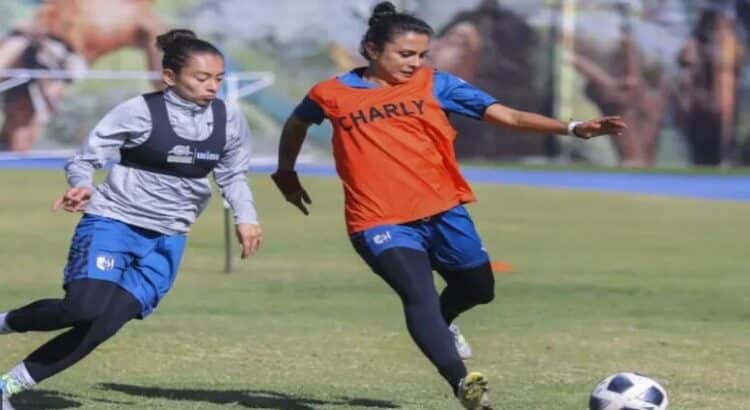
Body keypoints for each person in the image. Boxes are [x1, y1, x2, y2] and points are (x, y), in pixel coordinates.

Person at [270, 2, 625, 409]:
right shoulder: (329, 93)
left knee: (479, 288)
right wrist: (286, 171)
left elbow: (506, 115)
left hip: (443, 209)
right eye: (405, 54)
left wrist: (574, 127)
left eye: (422, 55)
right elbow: (297, 123)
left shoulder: (437, 84)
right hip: (378, 219)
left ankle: (443, 325)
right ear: (371, 50)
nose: (415, 63)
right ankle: (463, 383)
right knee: (417, 294)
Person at [0, 29, 262, 409]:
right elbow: (84, 159)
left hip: (168, 239)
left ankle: (7, 386)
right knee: (83, 308)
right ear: (169, 76)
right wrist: (82, 185)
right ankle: (6, 321)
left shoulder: (229, 118)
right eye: (201, 78)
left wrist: (247, 218)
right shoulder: (138, 111)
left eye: (218, 79)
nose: (212, 87)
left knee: (103, 326)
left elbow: (233, 174)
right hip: (114, 223)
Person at [0, 0, 163, 151]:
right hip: (28, 36)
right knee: (20, 120)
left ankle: (11, 159)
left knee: (21, 124)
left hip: (60, 57)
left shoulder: (143, 18)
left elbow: (161, 76)